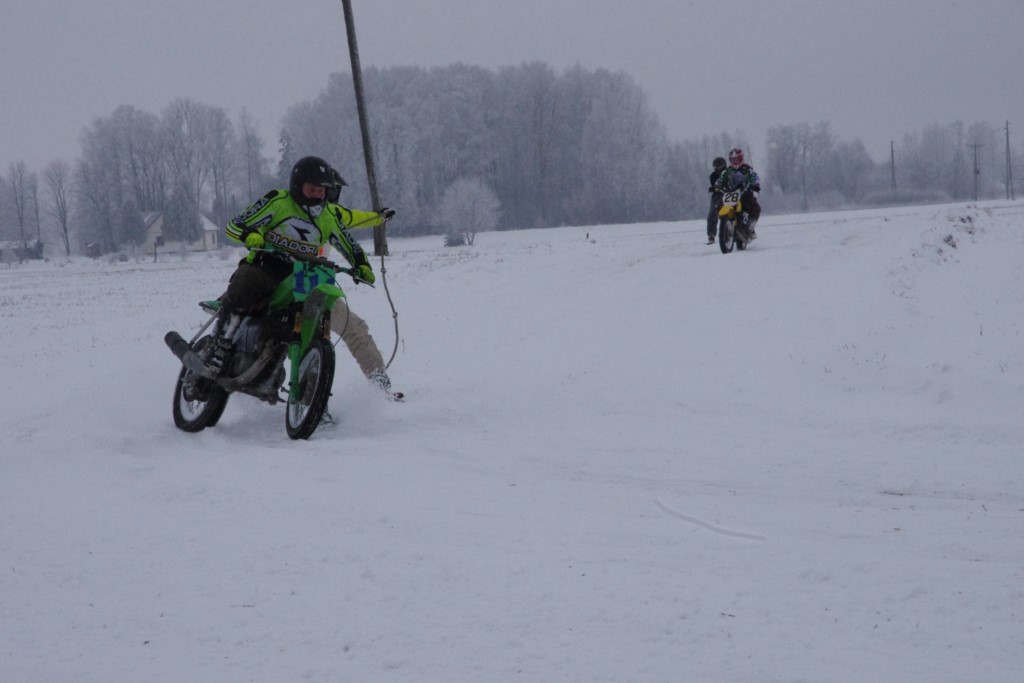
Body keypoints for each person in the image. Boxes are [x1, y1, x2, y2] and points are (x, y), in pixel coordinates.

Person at [220, 155, 401, 400]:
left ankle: (375, 389)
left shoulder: (332, 215)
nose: (321, 196)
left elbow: (357, 222)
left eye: (326, 190)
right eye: (314, 189)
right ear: (299, 186)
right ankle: (222, 345)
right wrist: (250, 236)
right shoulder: (280, 203)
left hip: (310, 282)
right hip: (269, 270)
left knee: (351, 328)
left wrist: (377, 226)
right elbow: (239, 223)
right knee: (248, 288)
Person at [714, 147, 762, 239]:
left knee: (755, 207)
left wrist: (756, 185)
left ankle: (750, 227)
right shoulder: (727, 171)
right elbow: (720, 180)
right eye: (733, 160)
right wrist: (716, 186)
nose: (735, 162)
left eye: (736, 159)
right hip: (729, 193)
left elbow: (755, 177)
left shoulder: (747, 169)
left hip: (745, 193)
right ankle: (726, 222)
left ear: (741, 158)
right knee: (718, 205)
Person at [706, 156, 727, 244]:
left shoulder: (729, 172)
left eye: (720, 166)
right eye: (717, 166)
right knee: (713, 213)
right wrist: (715, 188)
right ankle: (711, 234)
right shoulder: (713, 175)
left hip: (731, 193)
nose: (719, 168)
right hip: (718, 195)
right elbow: (715, 185)